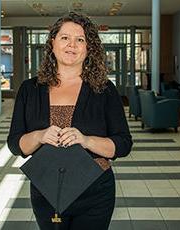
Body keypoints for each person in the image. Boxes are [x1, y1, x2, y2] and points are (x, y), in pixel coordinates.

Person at [7, 12, 132, 230]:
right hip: (47, 189)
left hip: (95, 191)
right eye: (65, 38)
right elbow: (15, 144)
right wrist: (39, 135)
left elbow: (123, 144)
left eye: (80, 39)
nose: (71, 45)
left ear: (88, 48)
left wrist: (85, 140)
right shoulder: (30, 89)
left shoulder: (103, 89)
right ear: (52, 43)